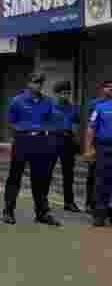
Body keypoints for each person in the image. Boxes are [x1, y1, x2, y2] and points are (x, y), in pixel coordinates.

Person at [3, 73, 60, 226]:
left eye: (41, 83)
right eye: (35, 82)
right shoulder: (18, 101)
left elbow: (51, 120)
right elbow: (10, 121)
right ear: (28, 84)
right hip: (23, 140)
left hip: (41, 141)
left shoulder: (47, 101)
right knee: (15, 176)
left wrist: (46, 136)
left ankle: (42, 213)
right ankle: (8, 211)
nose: (39, 85)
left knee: (40, 178)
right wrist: (17, 135)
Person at [83, 78, 112, 226]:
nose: (111, 89)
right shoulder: (99, 107)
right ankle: (99, 214)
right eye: (108, 87)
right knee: (101, 180)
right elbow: (91, 129)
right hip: (104, 148)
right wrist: (88, 149)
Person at [52, 81, 82, 213]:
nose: (65, 95)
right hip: (53, 139)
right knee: (47, 171)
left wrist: (74, 138)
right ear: (57, 94)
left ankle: (69, 202)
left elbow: (76, 123)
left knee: (68, 174)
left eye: (67, 93)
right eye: (63, 93)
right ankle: (42, 201)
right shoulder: (51, 107)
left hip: (68, 140)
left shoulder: (73, 108)